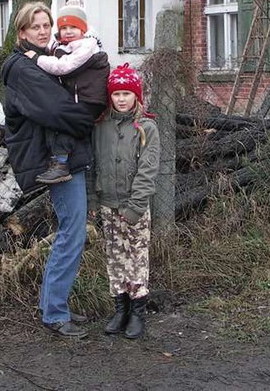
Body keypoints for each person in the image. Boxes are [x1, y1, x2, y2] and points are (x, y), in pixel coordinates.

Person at [1, 1, 94, 339]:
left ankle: (55, 304)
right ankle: (55, 311)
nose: (42, 30)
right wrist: (91, 118)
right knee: (72, 231)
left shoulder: (45, 61)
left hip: (66, 158)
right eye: (35, 26)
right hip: (55, 163)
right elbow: (58, 111)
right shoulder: (24, 69)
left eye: (46, 24)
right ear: (21, 32)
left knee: (72, 230)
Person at [89, 63, 160, 339]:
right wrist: (94, 200)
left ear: (136, 96)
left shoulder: (146, 127)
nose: (121, 99)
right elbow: (93, 163)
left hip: (134, 206)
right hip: (108, 203)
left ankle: (138, 311)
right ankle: (120, 308)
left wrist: (136, 206)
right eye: (116, 94)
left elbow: (149, 169)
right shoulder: (101, 126)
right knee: (115, 258)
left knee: (136, 258)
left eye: (126, 94)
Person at [27, 2, 109, 184]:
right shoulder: (63, 45)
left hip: (90, 99)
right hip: (79, 97)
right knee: (58, 120)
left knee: (65, 123)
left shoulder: (86, 46)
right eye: (64, 28)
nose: (68, 31)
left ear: (83, 29)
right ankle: (60, 161)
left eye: (74, 27)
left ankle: (62, 165)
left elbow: (63, 67)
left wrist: (37, 58)